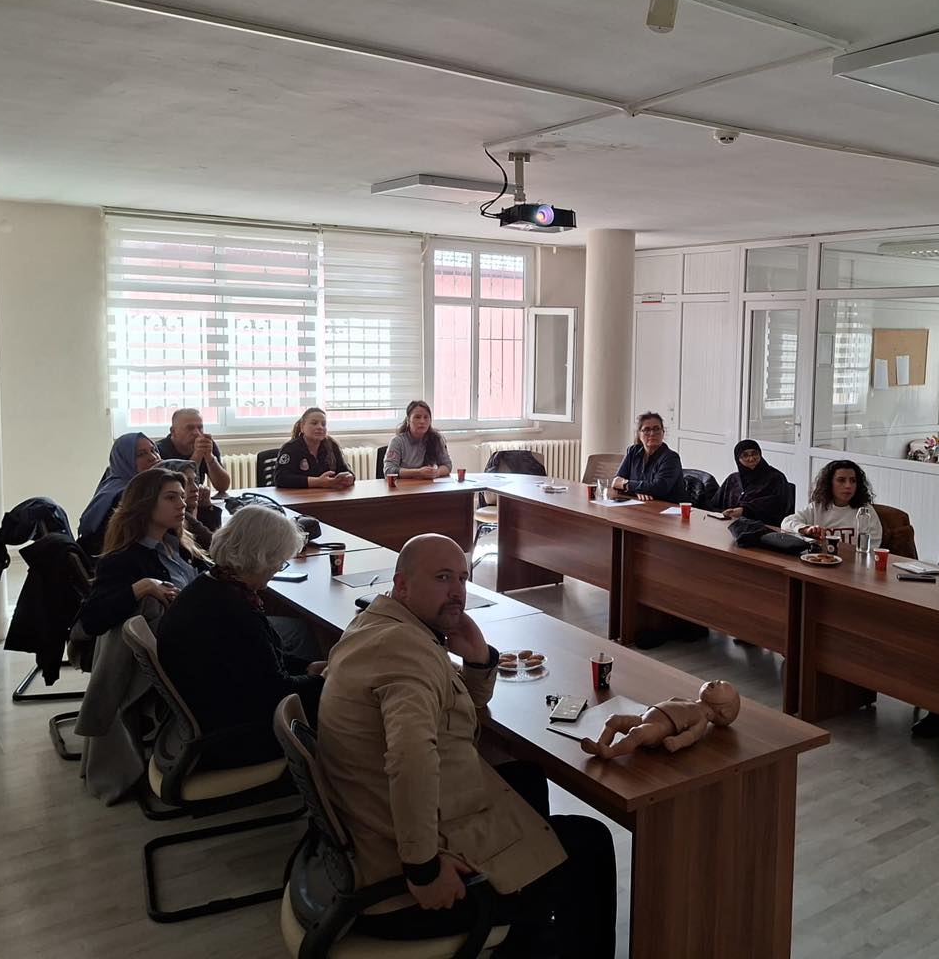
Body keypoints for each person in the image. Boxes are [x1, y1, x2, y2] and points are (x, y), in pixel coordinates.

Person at [317, 534, 616, 956]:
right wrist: (423, 870)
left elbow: (456, 711)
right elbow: (411, 761)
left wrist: (477, 659)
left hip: (373, 827)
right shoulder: (404, 653)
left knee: (526, 778)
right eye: (442, 578)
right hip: (401, 881)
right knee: (591, 842)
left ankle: (528, 931)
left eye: (462, 578)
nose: (457, 591)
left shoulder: (381, 626)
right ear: (402, 585)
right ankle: (530, 921)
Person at [155, 506, 325, 769]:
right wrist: (324, 681)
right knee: (343, 706)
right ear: (262, 557)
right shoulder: (233, 610)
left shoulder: (212, 585)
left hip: (212, 712)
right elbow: (276, 692)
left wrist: (307, 667)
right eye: (279, 562)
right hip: (233, 736)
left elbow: (258, 658)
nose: (277, 570)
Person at [80, 468, 210, 636]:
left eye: (182, 497)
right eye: (171, 498)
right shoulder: (123, 559)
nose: (182, 504)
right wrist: (142, 587)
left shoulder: (180, 545)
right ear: (145, 503)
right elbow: (91, 620)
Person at [78, 432, 163, 556]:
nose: (153, 457)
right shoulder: (127, 495)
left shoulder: (115, 484)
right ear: (124, 460)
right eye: (141, 454)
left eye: (154, 450)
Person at [782, 459, 882, 549]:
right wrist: (806, 529)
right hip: (821, 559)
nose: (848, 486)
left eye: (853, 481)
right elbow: (787, 522)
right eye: (841, 480)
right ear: (829, 483)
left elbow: (874, 544)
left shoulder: (865, 511)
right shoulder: (817, 507)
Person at [275, 407, 356, 490]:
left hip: (327, 495)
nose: (320, 427)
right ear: (302, 427)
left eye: (323, 424)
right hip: (299, 495)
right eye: (314, 423)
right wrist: (318, 482)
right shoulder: (291, 448)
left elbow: (345, 470)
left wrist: (349, 477)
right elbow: (280, 478)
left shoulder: (332, 445)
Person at [611, 412, 684, 502]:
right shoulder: (633, 451)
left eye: (656, 429)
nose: (652, 433)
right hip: (640, 504)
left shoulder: (671, 458)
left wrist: (627, 484)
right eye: (646, 430)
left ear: (663, 432)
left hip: (667, 507)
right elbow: (616, 482)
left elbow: (659, 488)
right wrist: (639, 490)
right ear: (639, 434)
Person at [713, 439, 790, 525]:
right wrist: (725, 512)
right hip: (729, 524)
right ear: (738, 458)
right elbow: (715, 504)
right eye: (745, 455)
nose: (751, 458)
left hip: (763, 527)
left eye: (754, 453)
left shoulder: (776, 478)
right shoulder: (733, 479)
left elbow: (778, 506)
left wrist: (746, 511)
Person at [154, 407, 230, 494]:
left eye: (200, 427)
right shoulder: (158, 450)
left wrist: (210, 458)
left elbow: (223, 486)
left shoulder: (206, 444)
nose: (197, 433)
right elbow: (178, 491)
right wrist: (197, 456)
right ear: (173, 431)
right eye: (190, 428)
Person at [159, 458, 223, 547]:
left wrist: (206, 507)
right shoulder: (177, 515)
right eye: (187, 482)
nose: (195, 488)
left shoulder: (189, 511)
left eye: (195, 481)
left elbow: (213, 539)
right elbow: (217, 545)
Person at [383, 400, 453, 479]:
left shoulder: (436, 439)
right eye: (417, 417)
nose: (422, 421)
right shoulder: (397, 441)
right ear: (408, 420)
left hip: (427, 485)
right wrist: (418, 472)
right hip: (404, 485)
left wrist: (436, 472)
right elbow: (388, 471)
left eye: (426, 417)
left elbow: (447, 465)